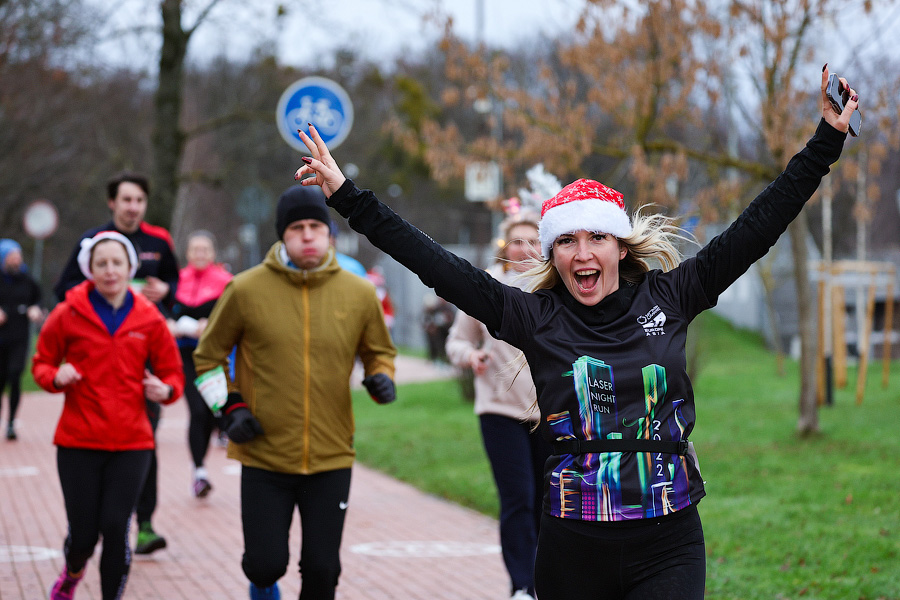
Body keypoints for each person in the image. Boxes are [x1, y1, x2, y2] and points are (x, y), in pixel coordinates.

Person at [294, 67, 859, 600]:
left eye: (596, 238)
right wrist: (347, 197)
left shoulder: (673, 296)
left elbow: (760, 225)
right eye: (567, 241)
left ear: (621, 247)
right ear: (553, 253)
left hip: (668, 540)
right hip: (573, 546)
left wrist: (825, 142)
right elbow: (433, 262)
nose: (582, 253)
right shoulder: (533, 317)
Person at [192, 185, 397, 600]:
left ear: (330, 235)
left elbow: (379, 352)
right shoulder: (245, 289)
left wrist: (381, 377)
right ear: (282, 235)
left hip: (331, 454)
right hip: (265, 453)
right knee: (264, 565)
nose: (307, 236)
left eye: (315, 227)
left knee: (323, 572)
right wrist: (230, 407)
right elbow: (207, 358)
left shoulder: (359, 293)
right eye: (296, 228)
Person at [32, 231, 184, 600]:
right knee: (84, 537)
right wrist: (55, 376)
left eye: (117, 262)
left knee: (116, 528)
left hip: (132, 441)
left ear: (130, 267)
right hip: (78, 441)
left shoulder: (149, 318)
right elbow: (42, 363)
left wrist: (166, 390)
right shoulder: (68, 313)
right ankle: (72, 572)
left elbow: (173, 373)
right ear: (90, 269)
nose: (110, 270)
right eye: (101, 264)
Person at [53, 171, 179, 555]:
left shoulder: (160, 241)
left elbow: (178, 288)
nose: (133, 207)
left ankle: (145, 524)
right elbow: (63, 290)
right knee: (94, 447)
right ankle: (84, 524)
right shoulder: (93, 242)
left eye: (139, 200)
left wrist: (166, 291)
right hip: (98, 364)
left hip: (145, 360)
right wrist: (104, 288)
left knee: (145, 440)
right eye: (126, 200)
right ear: (112, 203)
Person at [445, 212, 551, 600]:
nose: (525, 249)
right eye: (516, 241)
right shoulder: (487, 289)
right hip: (500, 412)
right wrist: (470, 356)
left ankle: (544, 582)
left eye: (533, 241)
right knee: (518, 499)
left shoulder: (553, 288)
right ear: (504, 247)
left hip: (548, 414)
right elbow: (456, 341)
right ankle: (521, 585)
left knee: (547, 502)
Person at [167, 230, 232, 499]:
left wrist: (212, 325)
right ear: (188, 253)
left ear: (213, 253)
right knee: (197, 410)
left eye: (205, 249)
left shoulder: (226, 281)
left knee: (210, 410)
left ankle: (218, 437)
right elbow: (164, 311)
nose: (200, 254)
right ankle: (199, 472)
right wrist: (171, 325)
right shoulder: (176, 281)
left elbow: (234, 316)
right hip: (186, 355)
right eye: (195, 249)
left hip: (215, 356)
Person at [0, 239, 43, 441]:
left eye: (18, 256)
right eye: (11, 256)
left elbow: (38, 300)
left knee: (15, 375)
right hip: (1, 337)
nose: (16, 260)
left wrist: (36, 309)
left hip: (20, 337)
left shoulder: (28, 280)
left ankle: (11, 422)